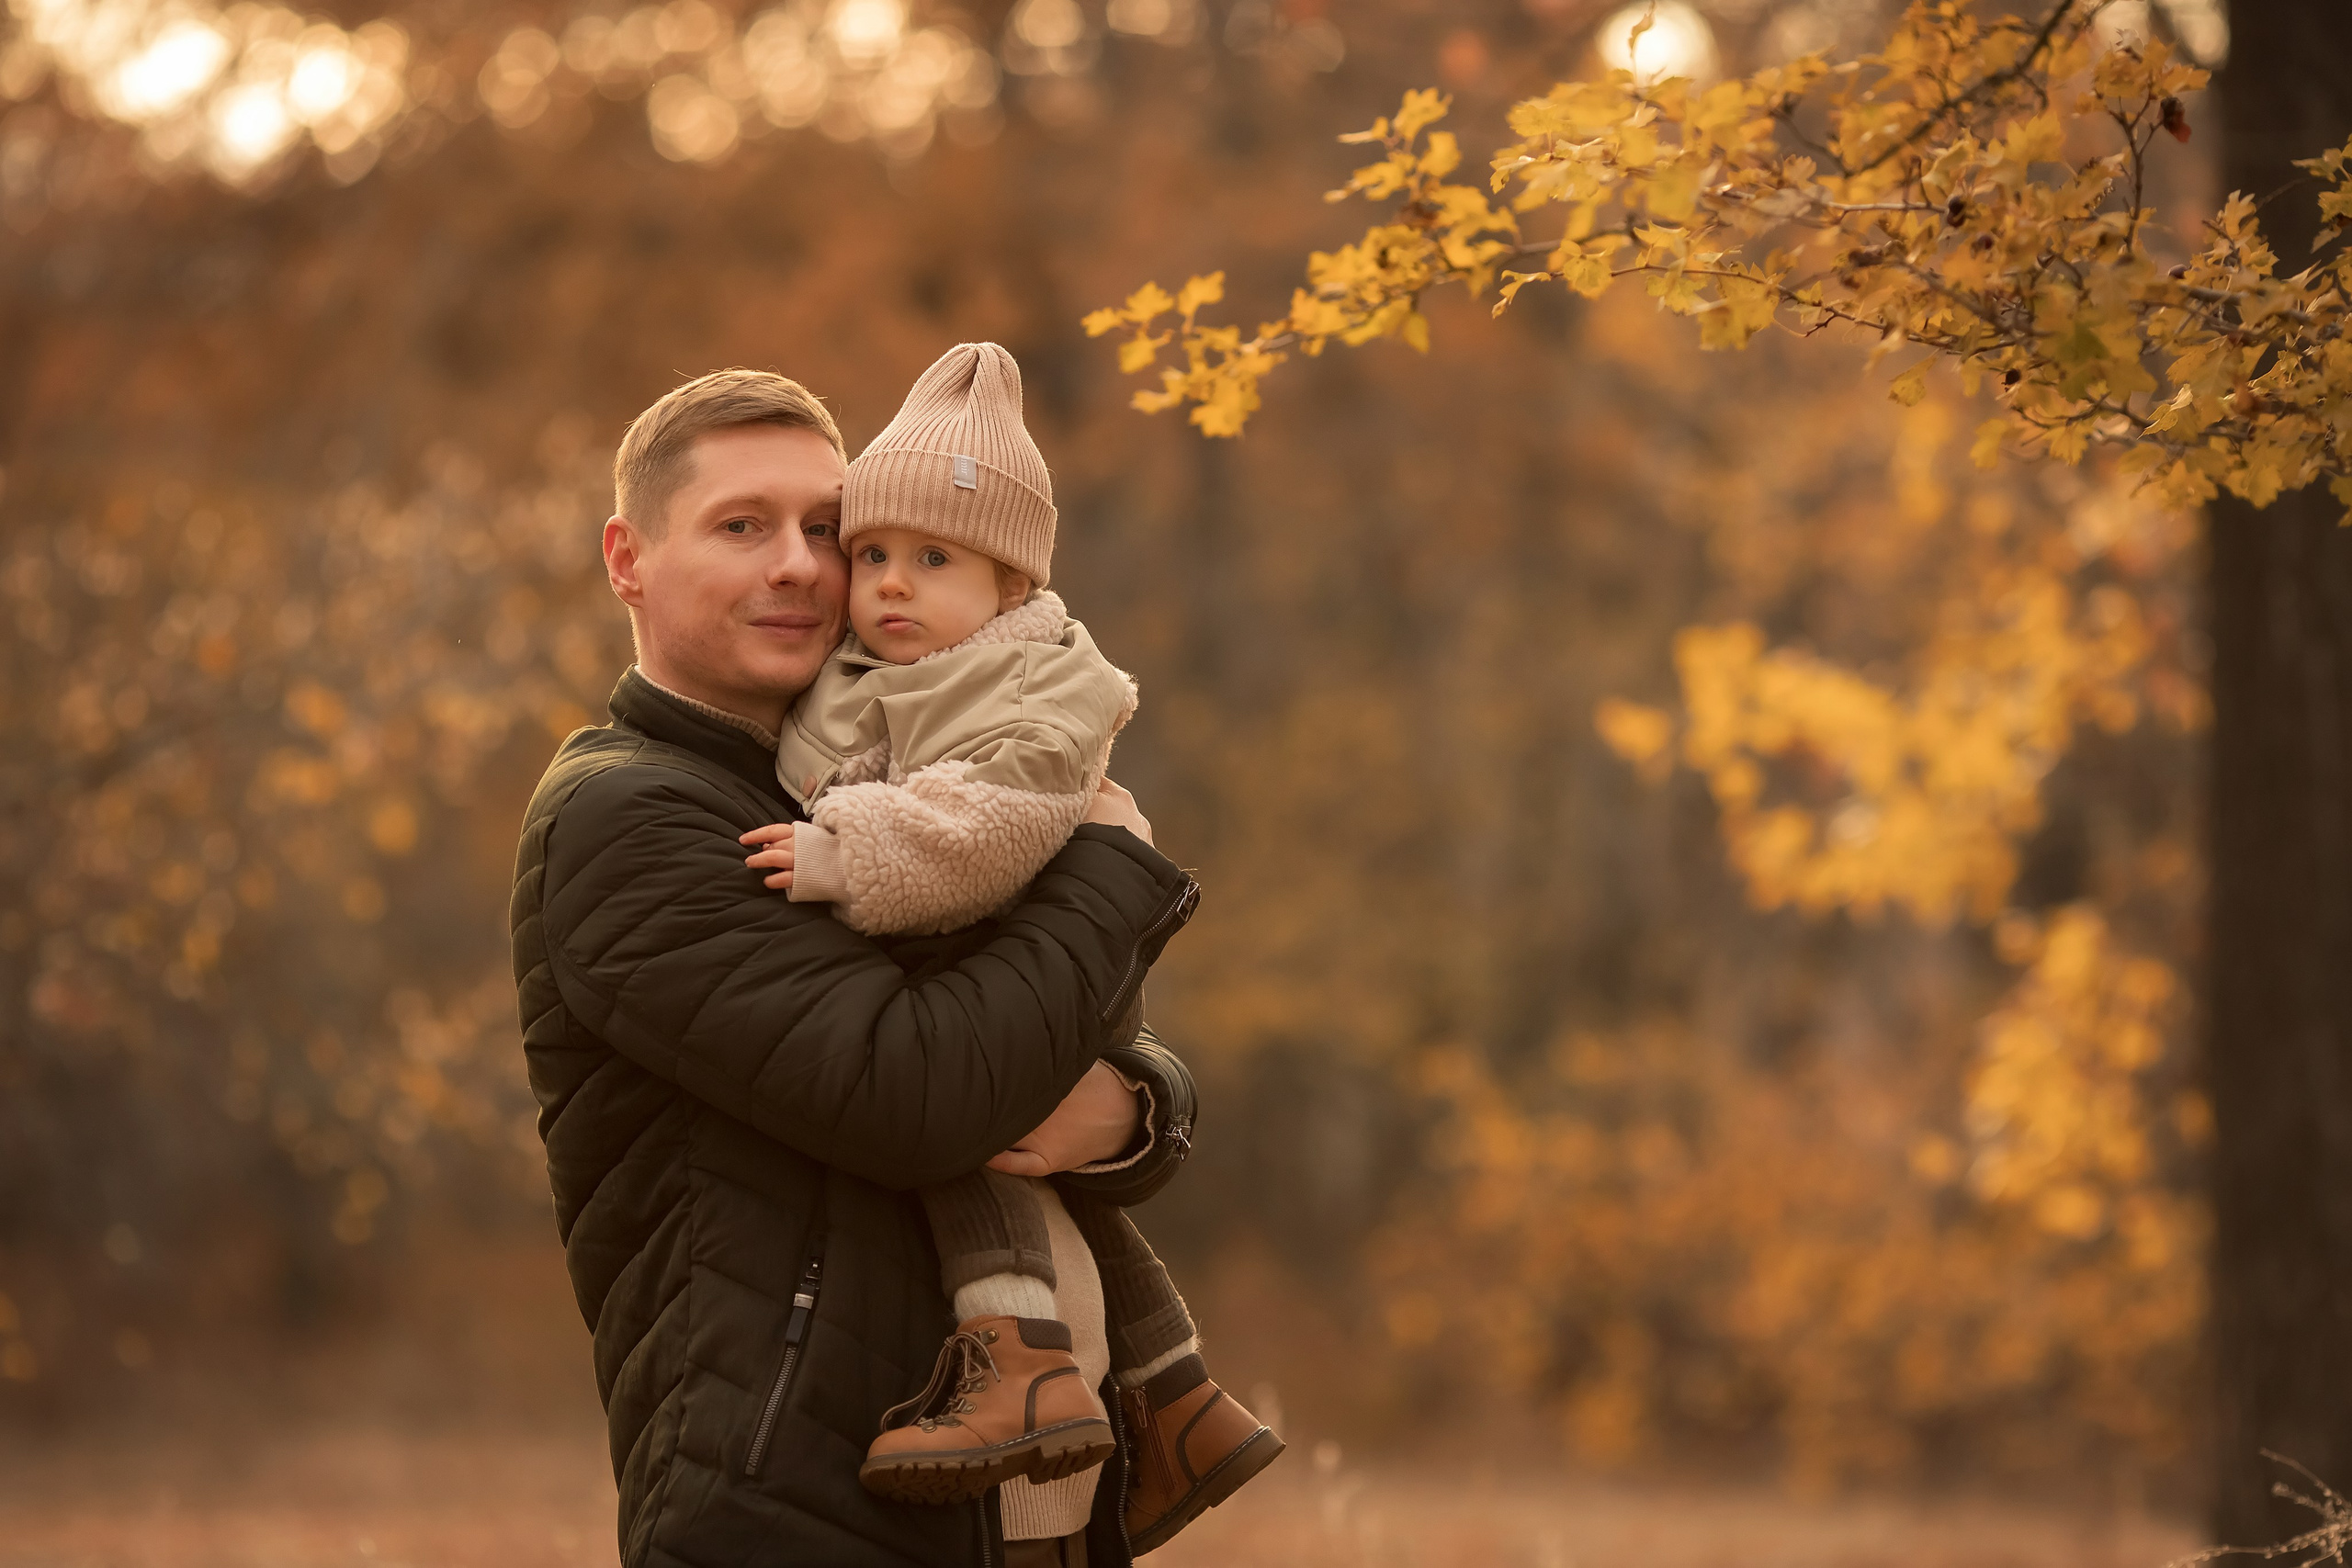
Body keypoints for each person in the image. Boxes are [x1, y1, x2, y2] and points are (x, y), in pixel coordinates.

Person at [510, 367, 1204, 1567]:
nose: (800, 565)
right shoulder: (629, 821)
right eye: (742, 526)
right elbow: (921, 1094)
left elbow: (1035, 1022)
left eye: (827, 530)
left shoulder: (875, 781)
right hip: (793, 1515)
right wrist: (1107, 860)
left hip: (1016, 1514)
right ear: (628, 559)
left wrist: (1141, 1103)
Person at [735, 344, 1280, 1547]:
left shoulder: (1028, 688)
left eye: (934, 560)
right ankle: (1176, 1392)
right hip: (1024, 962)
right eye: (873, 554)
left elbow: (985, 833)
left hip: (1010, 949)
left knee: (963, 1115)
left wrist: (845, 852)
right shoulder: (889, 672)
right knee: (1021, 1146)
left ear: (1009, 581)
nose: (892, 584)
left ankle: (1016, 1359)